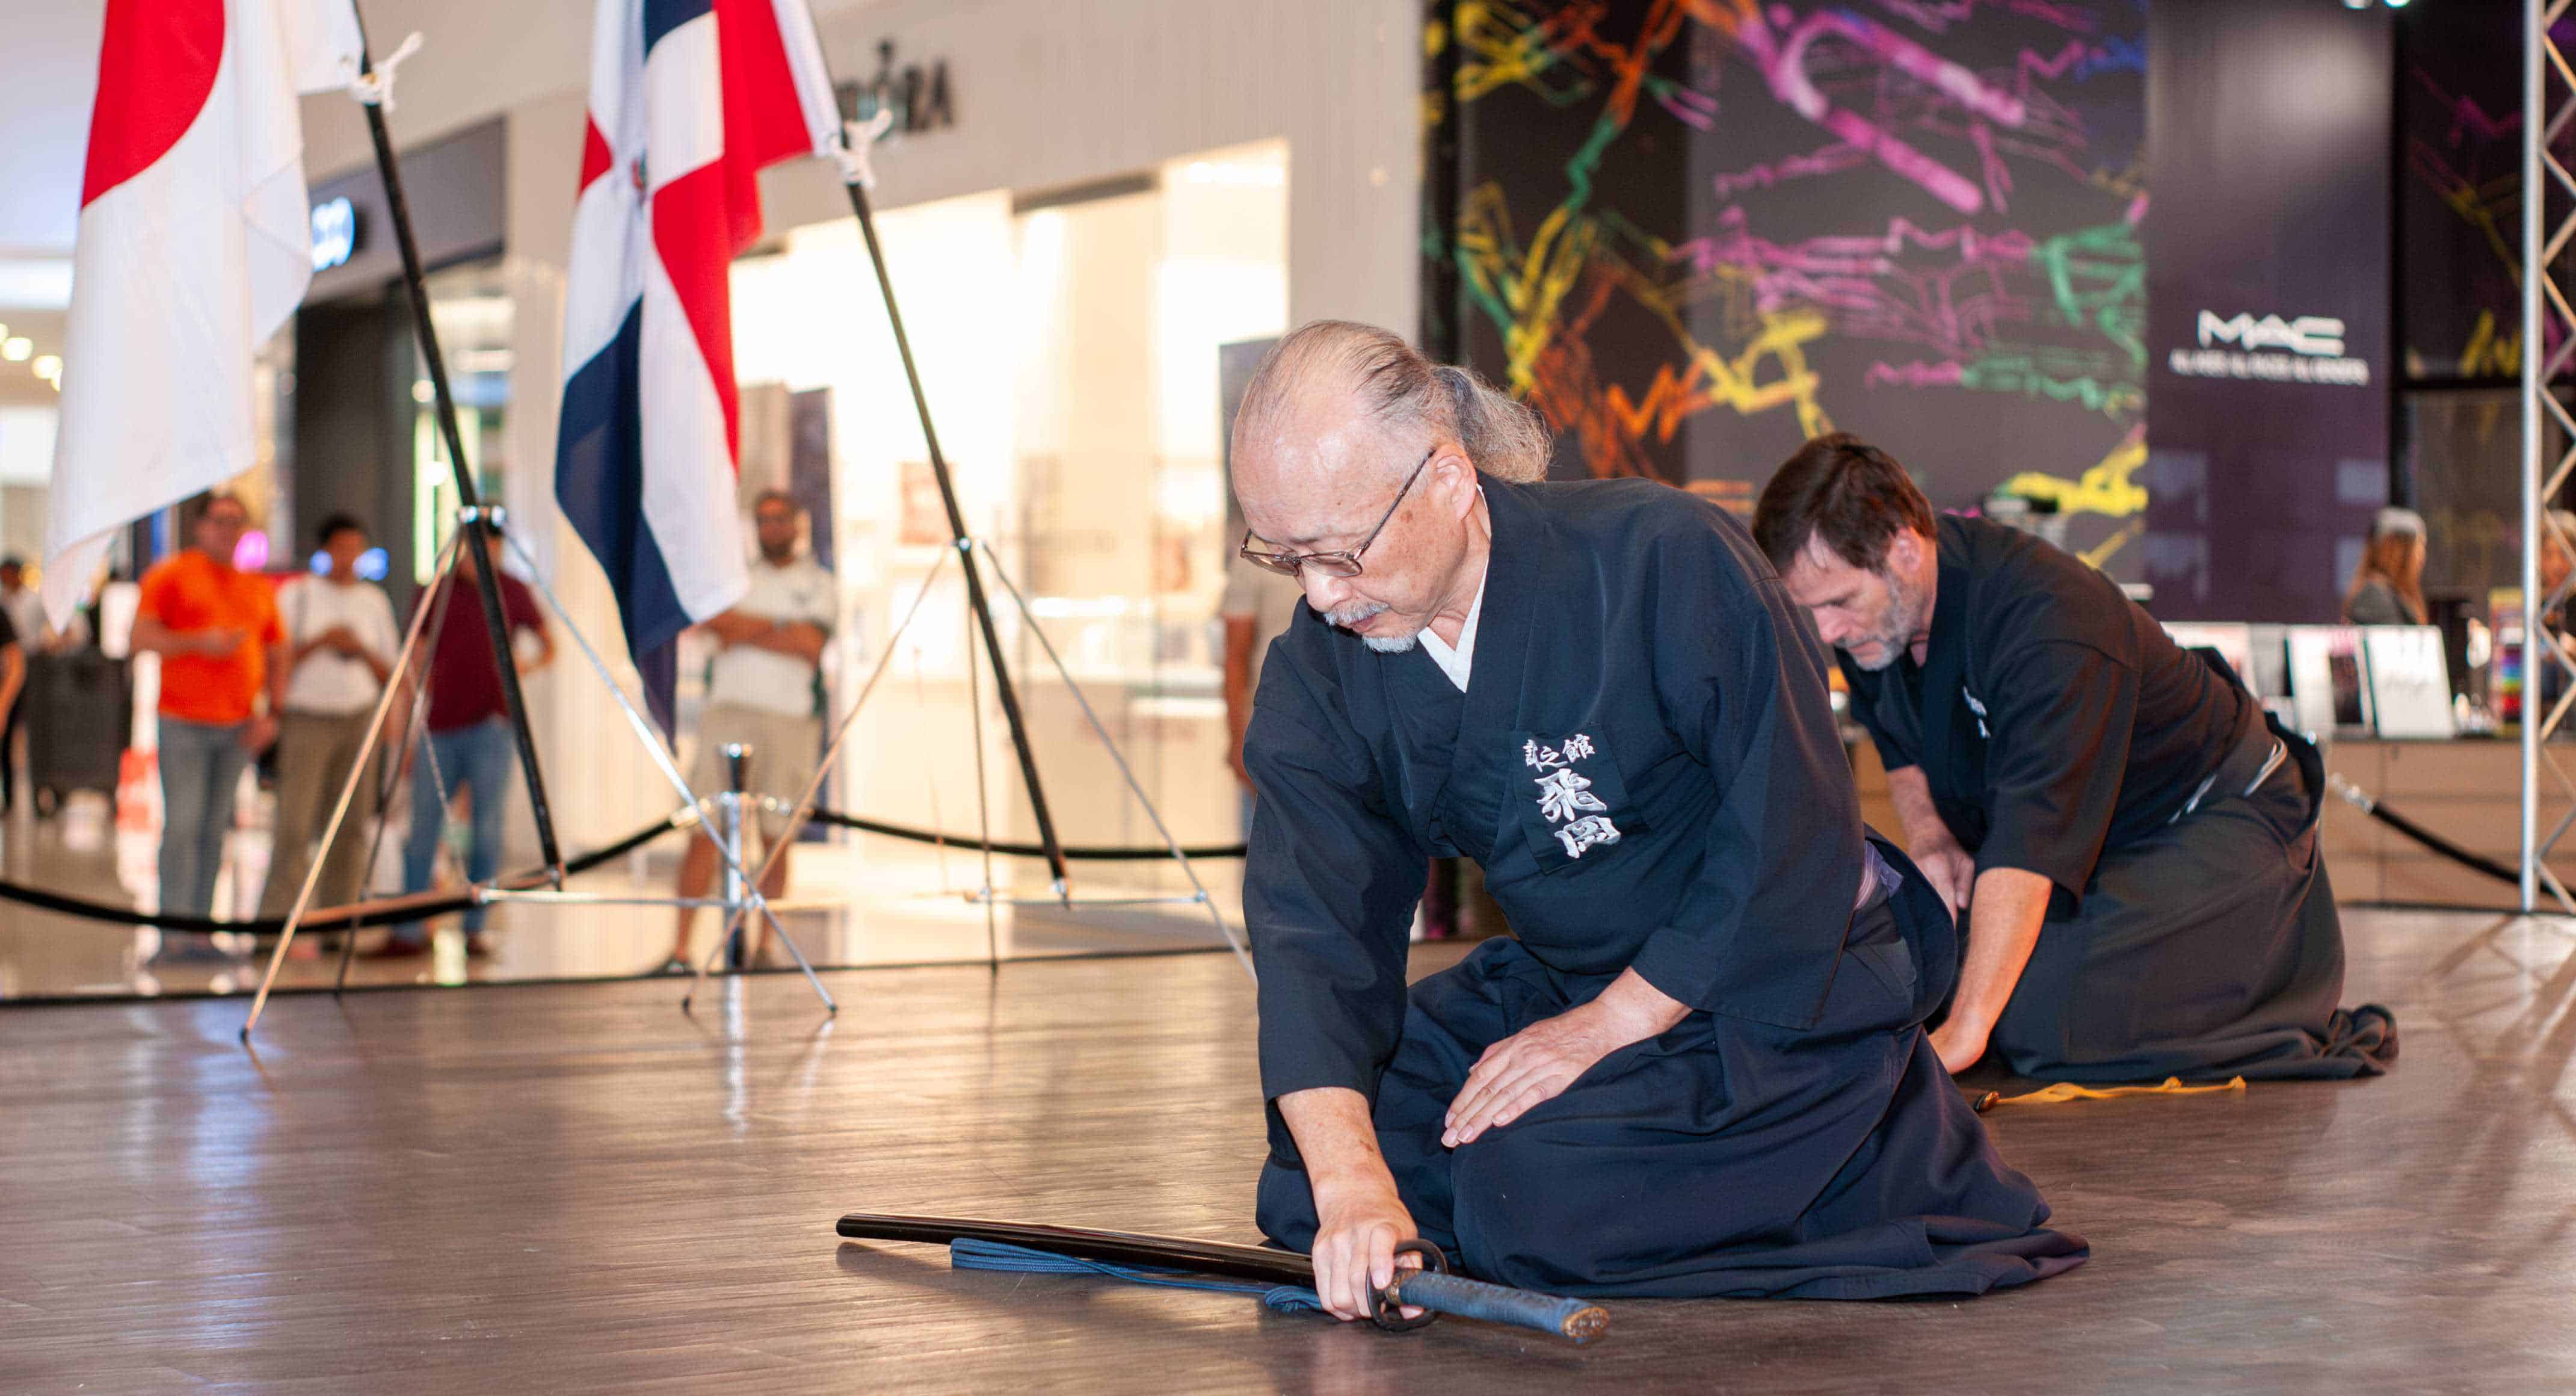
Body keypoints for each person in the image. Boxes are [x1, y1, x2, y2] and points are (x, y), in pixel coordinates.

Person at [1232, 322, 2084, 1318]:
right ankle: (1478, 1206)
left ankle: (1877, 1139)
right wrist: (1354, 1189)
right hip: (1567, 973)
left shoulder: (1657, 558)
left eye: (1342, 552)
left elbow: (1786, 823)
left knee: (1529, 1194)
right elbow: (1312, 926)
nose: (1324, 596)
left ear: (1450, 481)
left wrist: (1610, 1026)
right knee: (1310, 1176)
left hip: (1767, 977)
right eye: (1287, 560)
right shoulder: (1324, 661)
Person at [1754, 433, 2396, 1084]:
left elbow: (2027, 851)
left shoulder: (2048, 623)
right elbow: (1897, 742)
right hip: (2097, 842)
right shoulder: (1876, 628)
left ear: (1903, 549)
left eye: (1837, 603)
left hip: (2222, 816)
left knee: (2029, 1017)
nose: (1827, 633)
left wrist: (1960, 1037)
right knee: (1921, 968)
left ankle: (2271, 975)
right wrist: (1931, 836)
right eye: (1811, 611)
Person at [667, 490, 834, 973]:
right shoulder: (734, 580)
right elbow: (720, 625)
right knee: (705, 828)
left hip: (789, 718)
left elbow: (808, 643)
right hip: (728, 713)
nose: (771, 528)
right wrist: (778, 625)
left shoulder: (819, 585)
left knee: (775, 833)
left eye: (780, 518)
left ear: (798, 524)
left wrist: (752, 627)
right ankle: (681, 950)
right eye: (763, 520)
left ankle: (765, 947)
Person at [383, 525, 554, 957]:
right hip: (440, 723)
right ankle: (410, 929)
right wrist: (410, 710)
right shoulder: (435, 591)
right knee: (422, 829)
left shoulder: (512, 589)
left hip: (492, 725)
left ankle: (475, 926)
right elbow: (414, 654)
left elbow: (548, 643)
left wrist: (522, 670)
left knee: (487, 830)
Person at [131, 493, 286, 939]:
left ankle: (199, 931)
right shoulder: (173, 575)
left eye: (237, 521)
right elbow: (139, 637)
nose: (227, 529)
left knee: (215, 832)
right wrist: (200, 642)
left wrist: (273, 713)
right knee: (182, 827)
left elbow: (278, 650)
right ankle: (173, 933)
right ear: (201, 527)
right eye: (220, 521)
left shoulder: (257, 587)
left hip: (238, 726)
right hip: (184, 722)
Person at [257, 514, 398, 918]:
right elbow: (278, 657)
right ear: (325, 550)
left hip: (358, 718)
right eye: (341, 548)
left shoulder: (373, 601)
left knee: (352, 827)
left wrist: (359, 649)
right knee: (295, 827)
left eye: (356, 548)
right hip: (307, 718)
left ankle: (337, 921)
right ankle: (276, 921)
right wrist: (322, 642)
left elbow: (391, 667)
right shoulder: (298, 595)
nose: (348, 557)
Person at [1218, 549, 1303, 835]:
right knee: (1274, 853)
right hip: (1274, 736)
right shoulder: (1256, 553)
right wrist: (1237, 740)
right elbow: (1235, 656)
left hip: (1347, 732)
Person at [0, 557, 43, 814]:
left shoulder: (33, 601)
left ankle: (14, 798)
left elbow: (16, 661)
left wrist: (3, 705)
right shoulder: (5, 600)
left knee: (17, 741)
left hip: (28, 674)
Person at [2345, 507, 2429, 625]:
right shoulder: (2373, 597)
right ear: (2396, 551)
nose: (2422, 556)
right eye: (2419, 545)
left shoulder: (2394, 594)